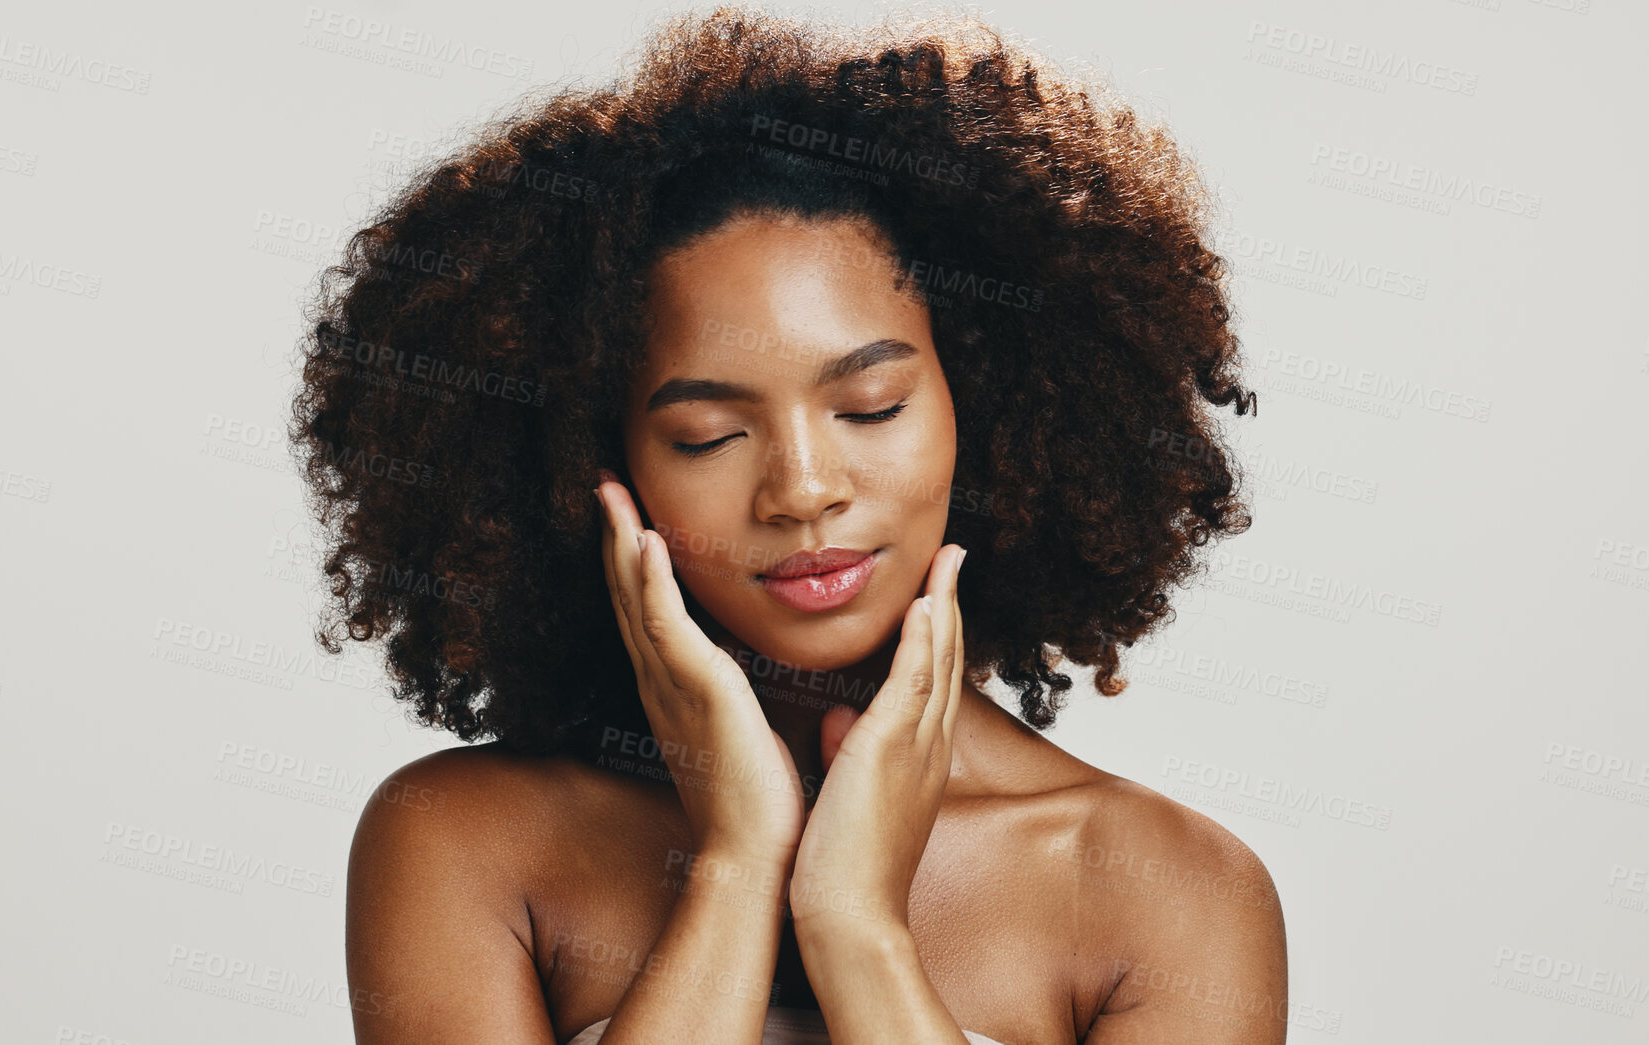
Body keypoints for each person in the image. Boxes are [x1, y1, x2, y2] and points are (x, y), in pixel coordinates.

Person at [291, 6, 1282, 1042]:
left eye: (872, 409)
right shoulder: (463, 840)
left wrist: (857, 925)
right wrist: (734, 864)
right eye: (709, 435)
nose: (803, 490)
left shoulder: (1169, 892)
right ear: (592, 466)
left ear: (982, 407)